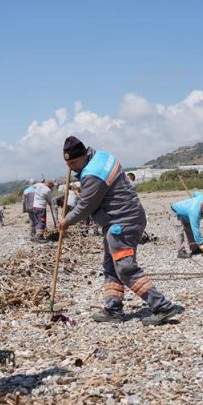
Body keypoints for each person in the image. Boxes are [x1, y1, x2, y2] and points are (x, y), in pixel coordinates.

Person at [58, 136, 183, 326]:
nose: (72, 168)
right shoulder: (103, 157)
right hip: (123, 219)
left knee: (125, 268)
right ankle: (113, 308)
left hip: (122, 223)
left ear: (84, 156)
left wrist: (66, 221)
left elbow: (84, 206)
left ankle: (162, 306)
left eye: (74, 163)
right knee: (110, 266)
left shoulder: (93, 173)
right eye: (68, 164)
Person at [170, 192, 203, 258]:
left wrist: (193, 200)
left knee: (190, 231)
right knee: (179, 231)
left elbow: (196, 192)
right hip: (175, 211)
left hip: (186, 213)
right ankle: (180, 252)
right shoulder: (195, 213)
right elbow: (196, 230)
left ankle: (194, 248)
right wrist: (202, 244)